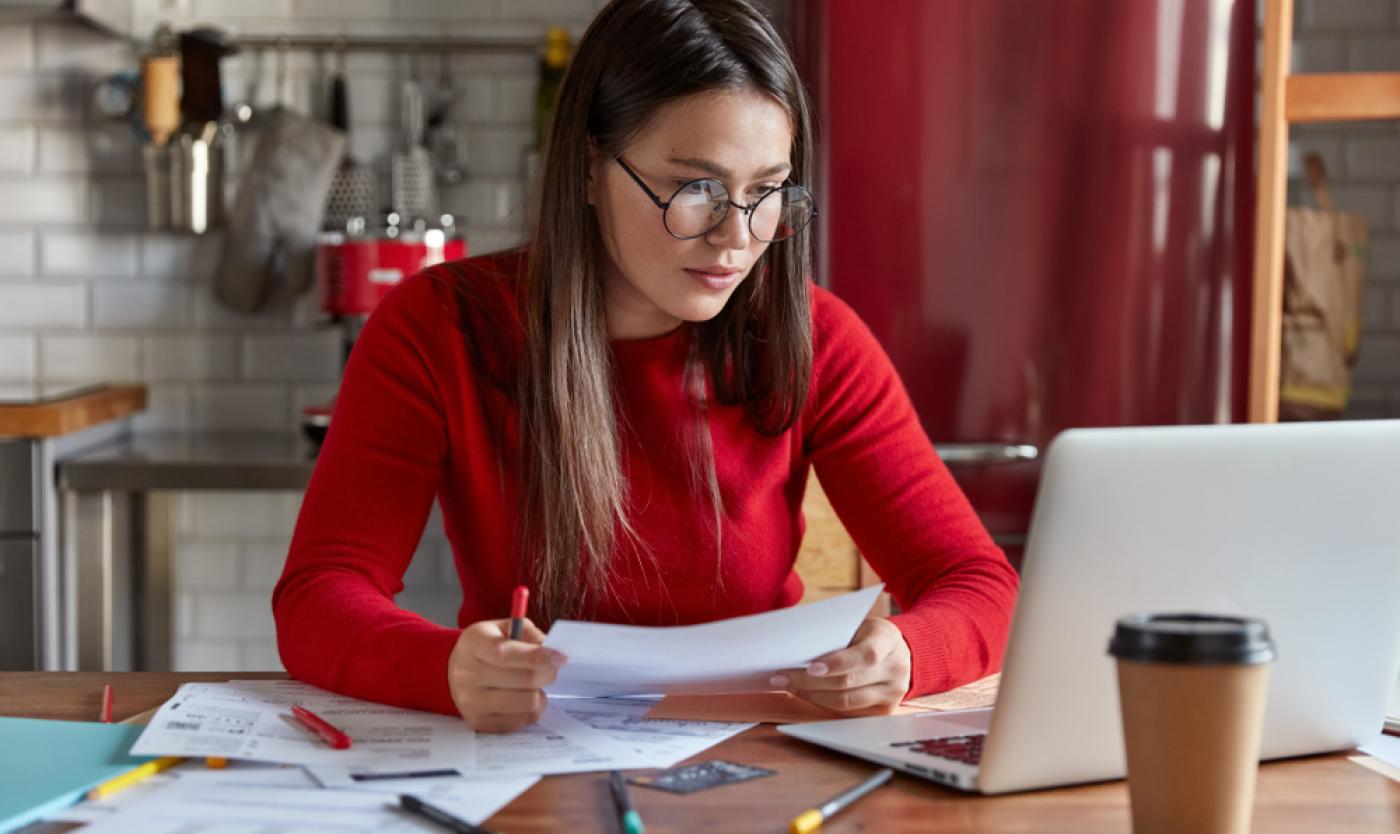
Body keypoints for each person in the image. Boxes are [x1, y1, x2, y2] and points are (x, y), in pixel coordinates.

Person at [273, 0, 1019, 733]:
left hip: (759, 758)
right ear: (591, 169)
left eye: (764, 193)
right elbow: (319, 594)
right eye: (696, 188)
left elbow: (982, 585)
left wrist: (910, 654)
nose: (738, 236)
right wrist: (444, 668)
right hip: (528, 758)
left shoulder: (819, 337)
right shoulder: (438, 326)